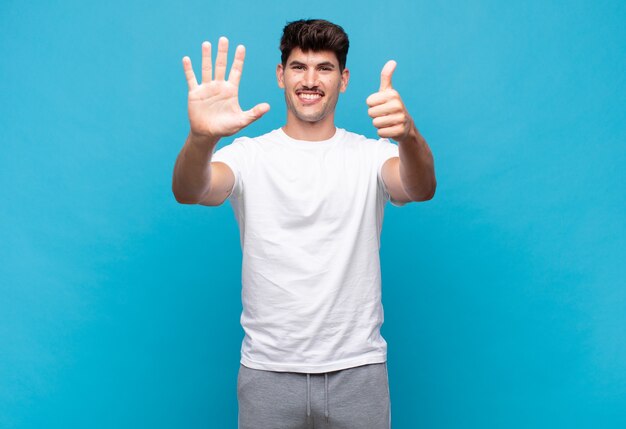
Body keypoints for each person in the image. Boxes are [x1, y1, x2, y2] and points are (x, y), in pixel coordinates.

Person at [172, 19, 436, 429]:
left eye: (324, 68)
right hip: (267, 372)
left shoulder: (369, 156)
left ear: (343, 79)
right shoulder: (249, 156)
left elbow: (418, 187)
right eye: (299, 67)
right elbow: (191, 190)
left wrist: (409, 136)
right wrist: (202, 139)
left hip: (358, 371)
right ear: (281, 75)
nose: (310, 80)